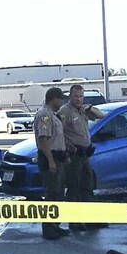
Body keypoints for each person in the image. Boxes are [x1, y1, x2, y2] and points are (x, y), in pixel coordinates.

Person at [57, 84, 107, 231]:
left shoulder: (83, 110)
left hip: (85, 155)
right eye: (75, 96)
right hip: (74, 156)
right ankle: (75, 221)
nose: (78, 99)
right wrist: (67, 148)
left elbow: (101, 115)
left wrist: (89, 108)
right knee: (74, 188)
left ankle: (91, 219)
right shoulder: (65, 112)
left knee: (87, 187)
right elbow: (58, 133)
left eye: (81, 96)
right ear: (70, 96)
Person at [34, 87, 70, 240]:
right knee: (52, 194)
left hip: (58, 157)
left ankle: (55, 225)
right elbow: (43, 140)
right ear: (54, 98)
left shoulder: (52, 114)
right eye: (60, 98)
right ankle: (48, 228)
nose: (62, 101)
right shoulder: (45, 115)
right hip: (50, 157)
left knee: (58, 194)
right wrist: (51, 161)